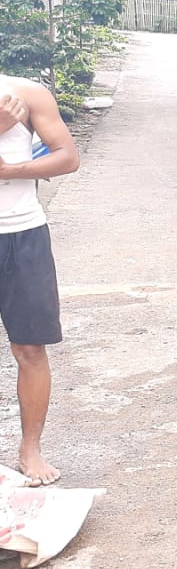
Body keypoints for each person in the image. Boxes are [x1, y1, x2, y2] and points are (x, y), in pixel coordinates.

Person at [0, 77, 80, 485]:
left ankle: (30, 448)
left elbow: (68, 156)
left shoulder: (25, 93)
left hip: (22, 234)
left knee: (30, 348)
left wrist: (13, 170)